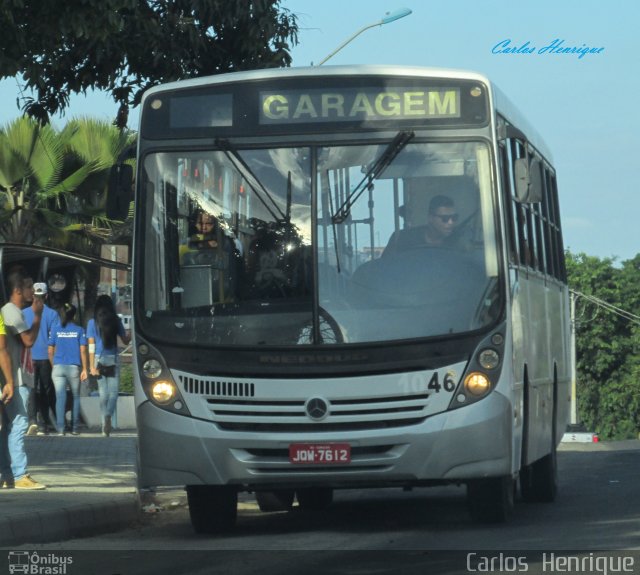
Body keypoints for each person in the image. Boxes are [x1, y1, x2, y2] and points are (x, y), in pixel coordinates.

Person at [0, 266, 46, 490]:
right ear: (17, 289)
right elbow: (28, 341)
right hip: (15, 380)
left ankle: (7, 474)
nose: (32, 292)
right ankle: (20, 474)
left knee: (8, 427)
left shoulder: (13, 312)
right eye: (29, 287)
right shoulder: (10, 311)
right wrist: (37, 316)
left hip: (17, 378)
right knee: (19, 423)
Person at [87, 295, 130, 437]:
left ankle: (103, 428)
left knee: (103, 394)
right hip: (112, 358)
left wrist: (92, 365)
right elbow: (125, 340)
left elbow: (91, 346)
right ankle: (108, 416)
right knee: (113, 393)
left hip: (98, 359)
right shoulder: (116, 321)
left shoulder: (92, 323)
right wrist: (130, 334)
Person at [23, 282, 59, 435]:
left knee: (31, 390)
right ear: (46, 296)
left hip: (28, 358)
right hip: (45, 358)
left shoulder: (23, 313)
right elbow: (55, 339)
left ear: (32, 296)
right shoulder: (52, 314)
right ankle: (44, 424)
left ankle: (32, 421)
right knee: (46, 390)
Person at [48, 303, 88, 436]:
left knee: (60, 398)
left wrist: (54, 365)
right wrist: (85, 369)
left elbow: (50, 350)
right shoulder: (79, 330)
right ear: (74, 315)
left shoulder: (55, 329)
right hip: (73, 368)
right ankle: (75, 427)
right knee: (76, 397)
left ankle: (60, 429)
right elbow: (83, 351)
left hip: (58, 367)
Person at [383, 195, 460, 255]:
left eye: (454, 218)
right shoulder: (403, 238)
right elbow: (386, 266)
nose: (451, 222)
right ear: (430, 218)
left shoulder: (459, 242)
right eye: (445, 218)